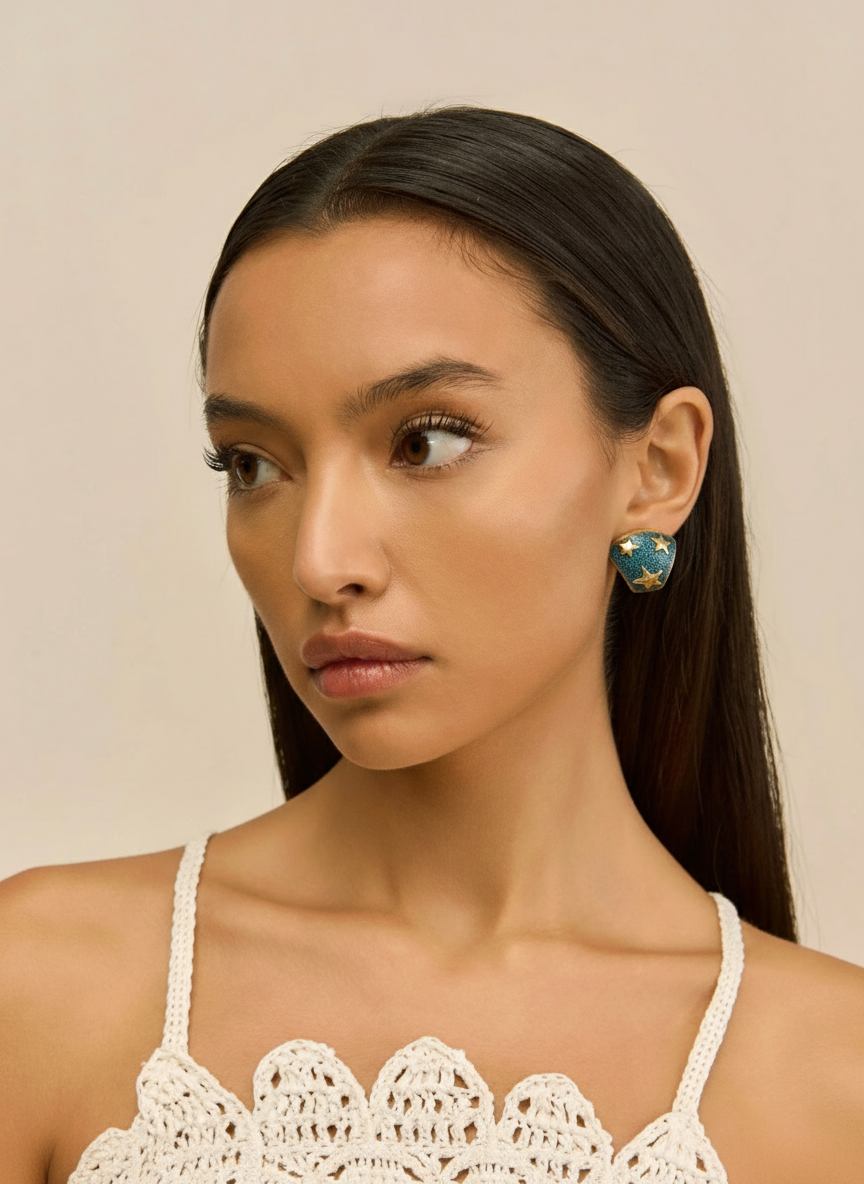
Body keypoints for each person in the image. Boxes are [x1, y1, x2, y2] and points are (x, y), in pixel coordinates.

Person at [1, 106, 861, 1183]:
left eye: (427, 441)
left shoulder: (832, 1084)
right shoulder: (45, 987)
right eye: (253, 464)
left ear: (658, 469)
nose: (320, 561)